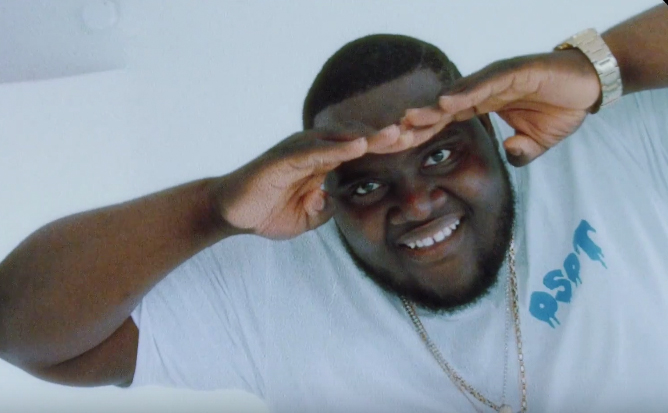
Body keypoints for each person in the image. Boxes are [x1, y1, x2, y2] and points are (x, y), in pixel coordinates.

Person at [0, 3, 667, 412]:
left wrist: (599, 68)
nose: (416, 202)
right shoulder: (272, 283)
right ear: (326, 197)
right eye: (366, 185)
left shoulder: (604, 148)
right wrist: (210, 209)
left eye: (440, 154)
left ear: (491, 132)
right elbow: (19, 327)